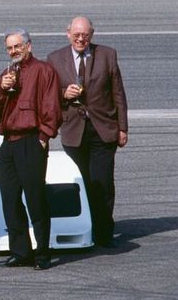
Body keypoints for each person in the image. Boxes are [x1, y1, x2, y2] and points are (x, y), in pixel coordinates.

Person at [0, 28, 62, 270]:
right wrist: (1, 89)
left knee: (35, 199)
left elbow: (52, 106)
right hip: (8, 143)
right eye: (9, 48)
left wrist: (44, 135)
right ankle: (20, 252)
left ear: (29, 46)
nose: (13, 51)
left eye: (17, 46)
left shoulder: (44, 70)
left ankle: (42, 252)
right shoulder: (7, 73)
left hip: (31, 140)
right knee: (10, 199)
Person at [47, 16, 128, 247]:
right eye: (76, 34)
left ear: (91, 35)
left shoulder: (108, 54)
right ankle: (85, 227)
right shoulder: (55, 59)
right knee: (80, 181)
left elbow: (118, 94)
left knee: (101, 182)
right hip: (74, 130)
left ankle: (103, 231)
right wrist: (64, 94)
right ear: (68, 33)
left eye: (85, 35)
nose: (80, 39)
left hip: (103, 128)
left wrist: (122, 127)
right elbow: (48, 96)